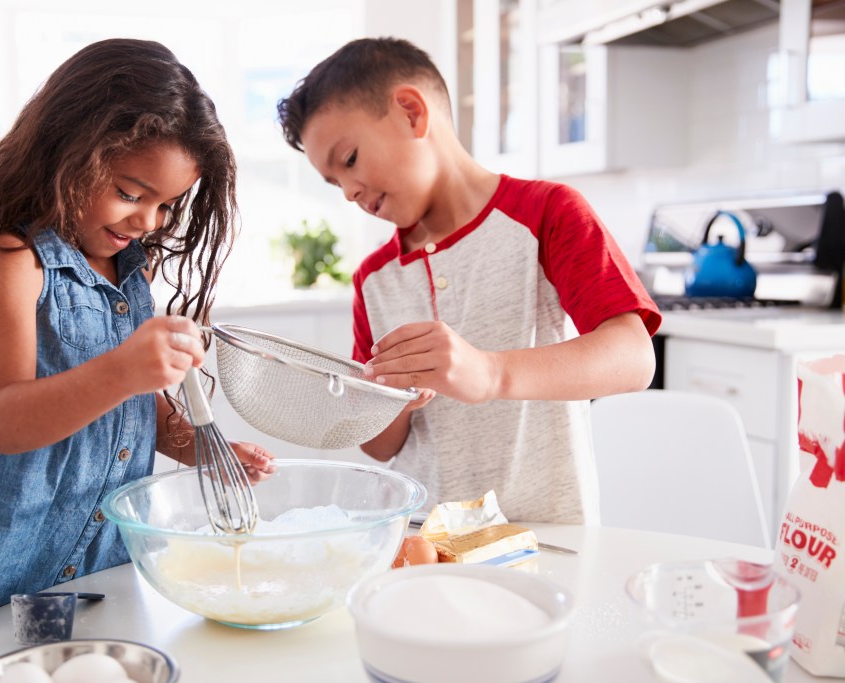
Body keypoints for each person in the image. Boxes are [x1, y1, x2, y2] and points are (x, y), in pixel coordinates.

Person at [0, 38, 275, 652]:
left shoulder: (130, 274)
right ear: (66, 157)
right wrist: (127, 369)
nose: (147, 221)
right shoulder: (14, 264)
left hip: (95, 567)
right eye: (131, 193)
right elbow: (5, 421)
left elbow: (129, 412)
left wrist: (200, 446)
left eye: (165, 205)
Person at [277, 37, 660, 525]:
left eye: (349, 159)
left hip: (548, 539)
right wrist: (397, 396)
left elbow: (633, 357)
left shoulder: (547, 213)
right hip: (423, 542)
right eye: (334, 183)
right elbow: (378, 445)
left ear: (412, 113)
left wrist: (490, 373)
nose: (349, 190)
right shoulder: (375, 279)